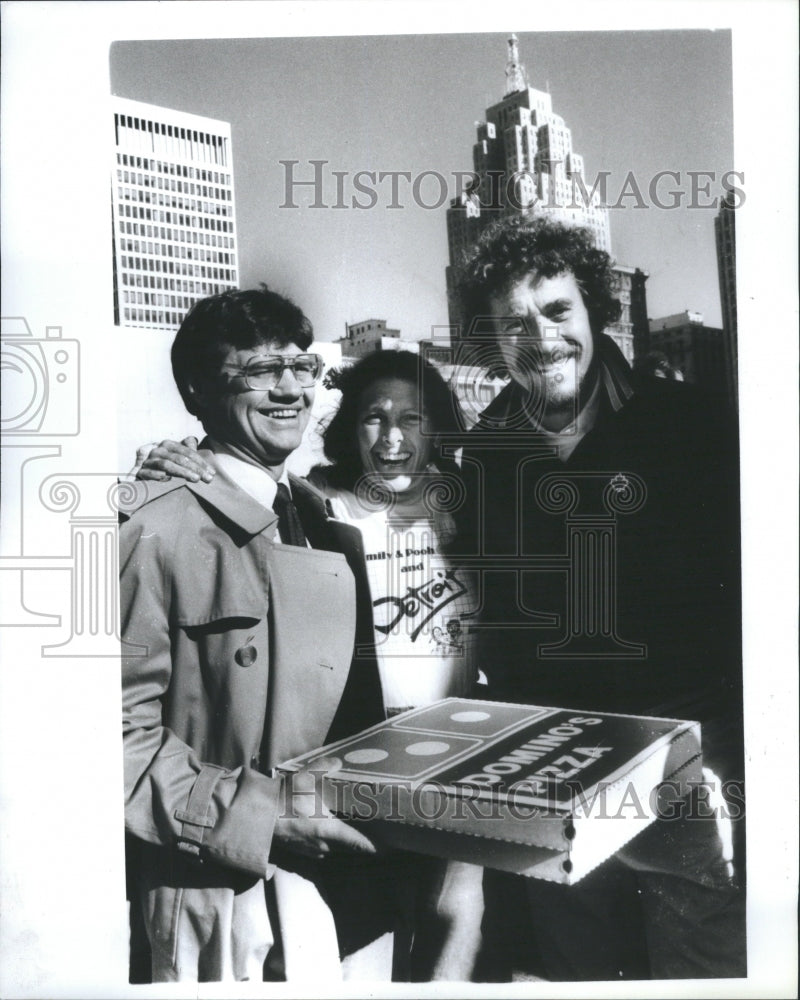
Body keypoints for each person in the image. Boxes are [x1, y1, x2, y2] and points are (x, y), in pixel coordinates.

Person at [453, 214, 744, 981]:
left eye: (557, 312)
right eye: (514, 323)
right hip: (559, 786)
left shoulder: (691, 425)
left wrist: (733, 767)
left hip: (689, 776)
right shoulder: (483, 456)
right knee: (581, 979)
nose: (540, 339)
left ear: (594, 312)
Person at [134, 348, 486, 981]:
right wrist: (169, 458)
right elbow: (234, 480)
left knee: (453, 931)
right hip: (364, 759)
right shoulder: (319, 500)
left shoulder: (473, 504)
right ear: (349, 425)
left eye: (414, 418)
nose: (394, 437)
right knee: (364, 944)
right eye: (374, 417)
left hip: (456, 754)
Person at [121, 286, 392, 984]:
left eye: (300, 367)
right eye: (257, 371)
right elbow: (113, 743)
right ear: (195, 391)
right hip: (221, 904)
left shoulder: (325, 523)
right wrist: (260, 819)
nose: (288, 389)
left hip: (345, 893)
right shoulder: (147, 526)